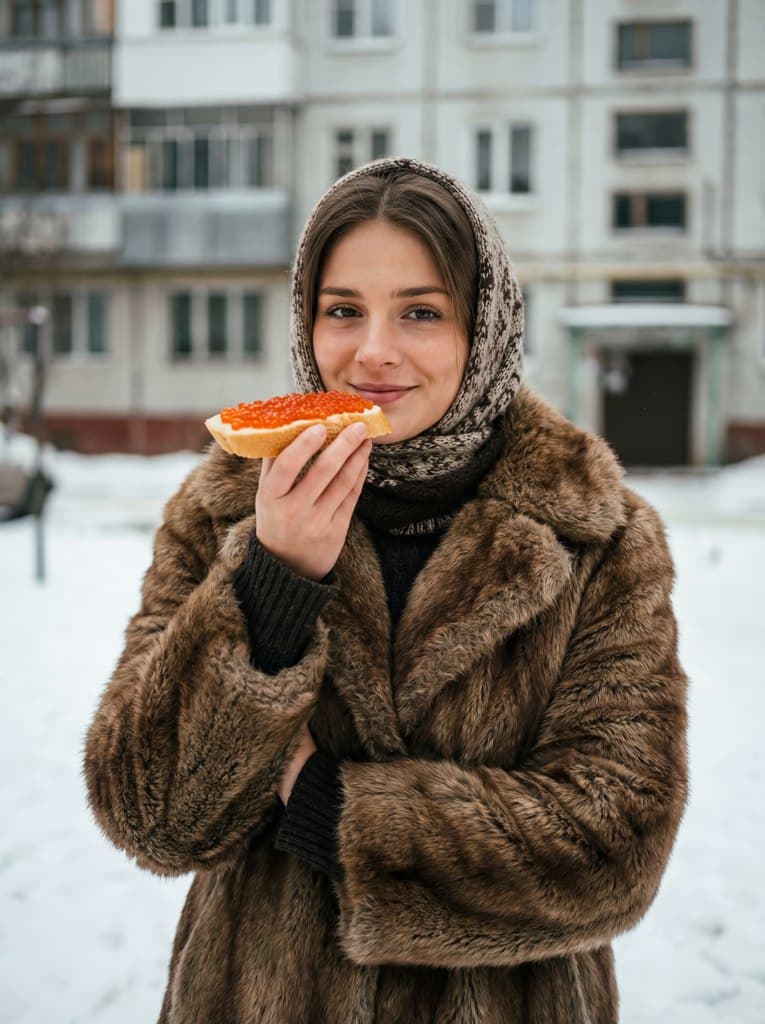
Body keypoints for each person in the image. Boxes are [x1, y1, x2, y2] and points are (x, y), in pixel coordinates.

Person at [83, 157, 688, 1024]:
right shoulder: (220, 511)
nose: (373, 351)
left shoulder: (597, 534)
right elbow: (149, 814)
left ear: (484, 327)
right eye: (342, 310)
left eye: (420, 312)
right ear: (305, 320)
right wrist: (272, 583)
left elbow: (614, 846)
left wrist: (335, 810)